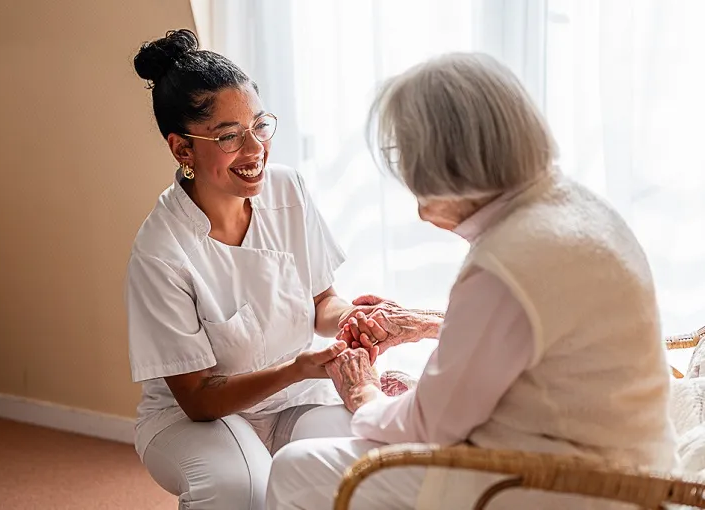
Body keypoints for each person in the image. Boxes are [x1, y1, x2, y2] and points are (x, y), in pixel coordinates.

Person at [267, 52, 679, 509]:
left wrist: (363, 391)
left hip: (562, 485)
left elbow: (430, 425)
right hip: (635, 467)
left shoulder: (507, 260)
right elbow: (539, 332)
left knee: (294, 466)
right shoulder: (573, 208)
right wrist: (425, 323)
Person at [124, 29, 427, 510]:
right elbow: (199, 398)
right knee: (240, 487)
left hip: (294, 398)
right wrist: (298, 366)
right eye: (228, 136)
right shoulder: (162, 251)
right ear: (182, 149)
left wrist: (353, 318)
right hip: (196, 420)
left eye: (259, 125)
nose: (255, 149)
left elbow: (321, 302)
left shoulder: (287, 190)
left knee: (367, 460)